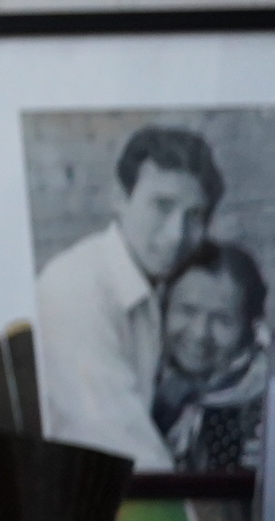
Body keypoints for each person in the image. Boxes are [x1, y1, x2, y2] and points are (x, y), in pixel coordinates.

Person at [30, 124, 223, 467]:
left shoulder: (155, 281)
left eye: (195, 215)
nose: (177, 234)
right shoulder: (78, 289)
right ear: (119, 199)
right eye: (162, 206)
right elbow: (128, 454)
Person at [156, 241, 269, 475]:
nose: (200, 333)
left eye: (222, 320)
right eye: (187, 310)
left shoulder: (263, 406)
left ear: (249, 329)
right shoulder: (140, 377)